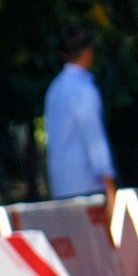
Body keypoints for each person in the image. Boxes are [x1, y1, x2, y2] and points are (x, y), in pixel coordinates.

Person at [44, 24, 118, 211]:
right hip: (87, 184)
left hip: (61, 184)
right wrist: (110, 185)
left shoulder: (55, 88)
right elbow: (94, 139)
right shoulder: (83, 89)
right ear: (88, 52)